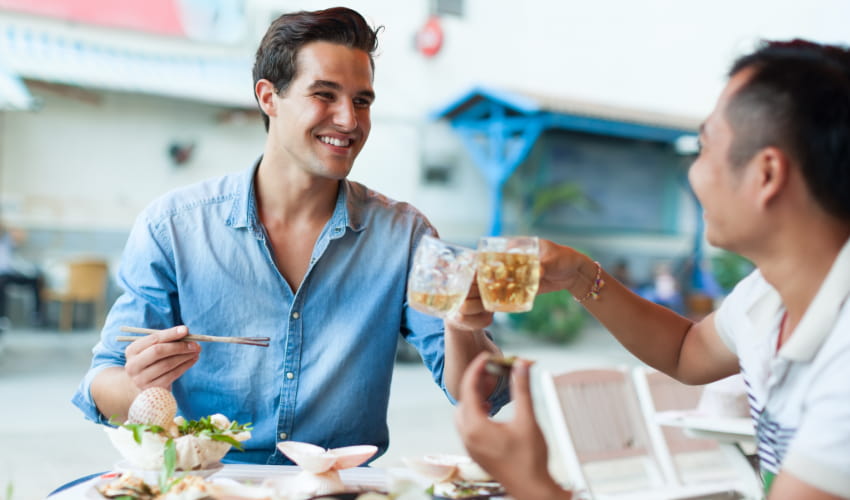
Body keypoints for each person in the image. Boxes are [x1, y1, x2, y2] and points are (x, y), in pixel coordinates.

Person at [73, 7, 508, 465]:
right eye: (325, 94)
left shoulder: (405, 237)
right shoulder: (173, 228)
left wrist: (461, 324)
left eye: (362, 101)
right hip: (210, 485)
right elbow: (102, 383)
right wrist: (140, 387)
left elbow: (479, 397)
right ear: (269, 97)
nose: (349, 120)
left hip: (340, 490)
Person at [457, 39, 850, 500]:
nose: (693, 175)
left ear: (766, 175)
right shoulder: (769, 293)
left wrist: (529, 480)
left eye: (704, 149)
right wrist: (581, 277)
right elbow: (686, 351)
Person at [0, 223, 44, 328]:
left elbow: (19, 237)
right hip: (3, 275)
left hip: (15, 271)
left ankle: (37, 316)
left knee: (37, 279)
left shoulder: (7, 239)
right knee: (1, 283)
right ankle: (2, 317)